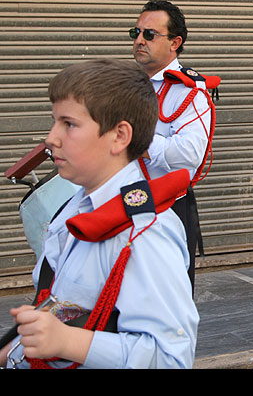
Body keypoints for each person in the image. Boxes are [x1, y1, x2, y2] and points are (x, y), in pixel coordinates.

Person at [0, 59, 199, 369]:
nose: (51, 138)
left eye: (69, 124)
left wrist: (69, 342)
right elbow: (60, 309)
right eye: (54, 122)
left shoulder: (145, 233)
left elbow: (171, 358)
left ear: (119, 136)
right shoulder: (74, 207)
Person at [131, 0, 217, 287]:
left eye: (150, 34)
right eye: (136, 33)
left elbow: (189, 154)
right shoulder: (126, 86)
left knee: (168, 298)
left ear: (175, 42)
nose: (140, 41)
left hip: (167, 207)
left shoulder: (188, 92)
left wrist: (137, 139)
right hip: (124, 204)